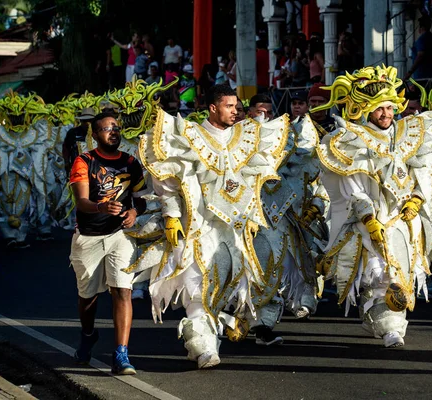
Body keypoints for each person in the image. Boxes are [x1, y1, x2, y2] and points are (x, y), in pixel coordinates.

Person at [127, 84, 291, 368]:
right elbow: (168, 184)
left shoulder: (248, 136)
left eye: (237, 106)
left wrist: (251, 217)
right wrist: (171, 216)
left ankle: (229, 327)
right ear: (213, 108)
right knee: (197, 288)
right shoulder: (189, 135)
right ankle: (203, 347)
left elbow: (253, 184)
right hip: (198, 227)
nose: (236, 111)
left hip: (236, 231)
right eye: (230, 106)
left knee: (231, 285)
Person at [314, 65, 432, 348]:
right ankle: (385, 324)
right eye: (380, 109)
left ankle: (388, 325)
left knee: (403, 274)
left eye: (390, 108)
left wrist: (417, 198)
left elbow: (421, 173)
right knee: (377, 275)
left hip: (403, 220)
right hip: (370, 222)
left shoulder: (408, 136)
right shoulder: (352, 140)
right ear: (365, 110)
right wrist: (369, 219)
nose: (386, 114)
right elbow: (353, 187)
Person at [69, 113, 147, 375]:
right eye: (106, 129)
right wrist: (101, 206)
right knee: (88, 297)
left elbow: (142, 198)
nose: (113, 132)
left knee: (122, 290)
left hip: (120, 236)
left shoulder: (130, 162)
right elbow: (81, 201)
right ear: (94, 134)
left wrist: (134, 212)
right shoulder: (84, 161)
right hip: (88, 237)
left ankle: (121, 354)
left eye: (116, 128)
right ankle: (88, 334)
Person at [62, 108, 96, 176]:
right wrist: (66, 162)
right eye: (84, 121)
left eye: (90, 121)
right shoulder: (73, 132)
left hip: (95, 167)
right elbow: (66, 147)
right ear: (80, 121)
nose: (87, 123)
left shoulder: (98, 132)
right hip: (77, 167)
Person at [405, 16, 432, 80]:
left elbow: (420, 56)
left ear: (421, 28)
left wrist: (410, 72)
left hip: (422, 76)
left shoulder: (422, 39)